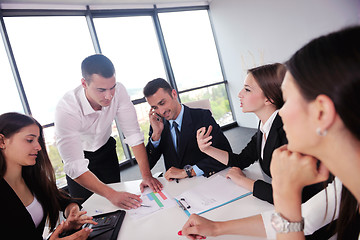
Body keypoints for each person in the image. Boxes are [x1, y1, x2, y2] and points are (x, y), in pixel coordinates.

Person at [269, 26, 360, 239]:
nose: (280, 113)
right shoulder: (346, 185)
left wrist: (284, 193)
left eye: (287, 99)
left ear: (321, 111)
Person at [197, 63, 324, 204]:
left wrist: (242, 180)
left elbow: (289, 196)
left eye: (247, 90)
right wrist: (206, 149)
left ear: (269, 99)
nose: (240, 94)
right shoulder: (266, 125)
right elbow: (241, 160)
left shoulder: (288, 132)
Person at [55, 54, 162, 209]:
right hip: (80, 156)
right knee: (87, 210)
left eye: (112, 87)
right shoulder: (67, 109)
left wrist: (146, 175)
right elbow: (75, 166)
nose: (109, 95)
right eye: (101, 90)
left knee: (118, 206)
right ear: (84, 83)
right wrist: (111, 194)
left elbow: (133, 134)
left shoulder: (119, 92)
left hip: (106, 151)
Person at [0, 112, 96, 240]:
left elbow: (64, 200)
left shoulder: (32, 179)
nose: (38, 147)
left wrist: (72, 214)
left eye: (38, 140)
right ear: (1, 141)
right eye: (30, 140)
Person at [143, 78, 232, 180]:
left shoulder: (202, 117)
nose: (161, 111)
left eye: (162, 103)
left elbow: (226, 155)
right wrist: (156, 135)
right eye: (155, 108)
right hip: (176, 187)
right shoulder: (158, 125)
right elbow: (147, 165)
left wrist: (188, 172)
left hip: (203, 181)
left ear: (174, 94)